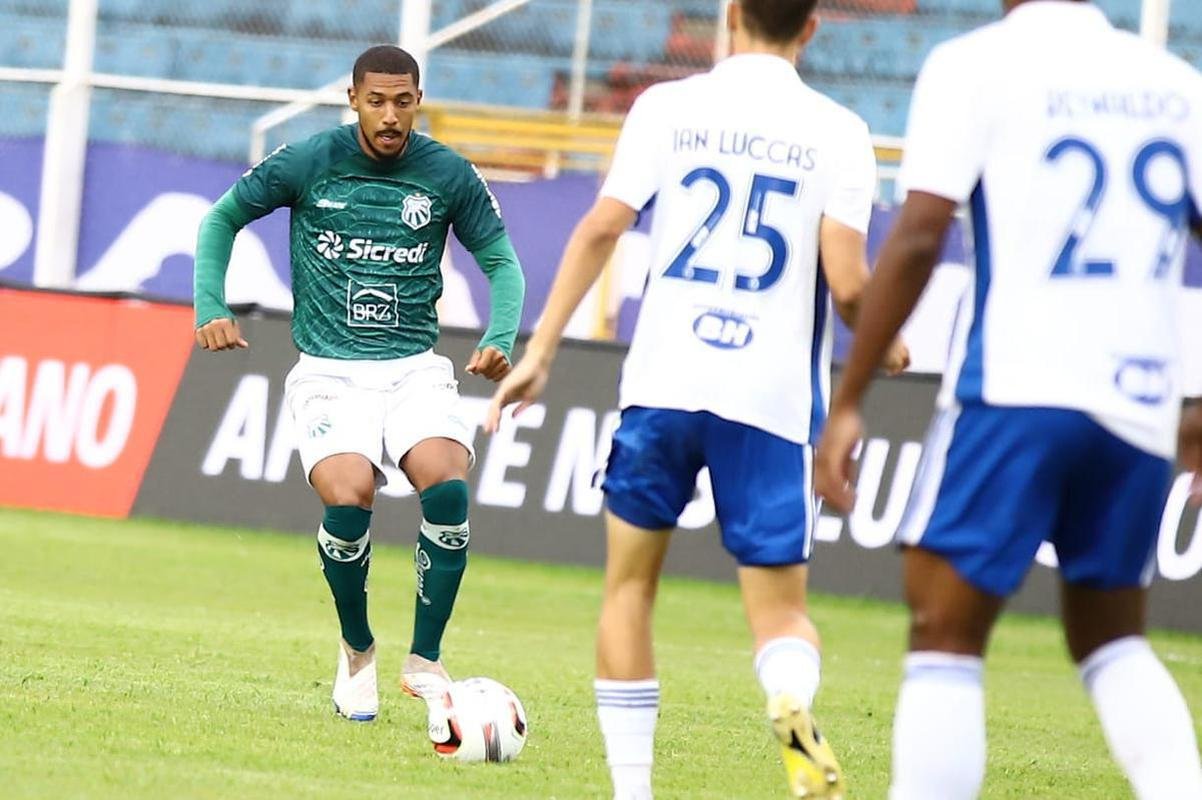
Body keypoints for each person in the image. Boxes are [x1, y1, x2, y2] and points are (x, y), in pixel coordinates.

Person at [486, 1, 908, 796]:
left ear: (732, 16)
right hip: (771, 399)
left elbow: (601, 230)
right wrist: (884, 337)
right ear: (810, 27)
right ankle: (788, 699)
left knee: (629, 589)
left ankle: (633, 789)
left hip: (664, 384)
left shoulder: (666, 108)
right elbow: (850, 287)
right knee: (780, 616)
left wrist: (540, 351)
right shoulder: (840, 130)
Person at [812, 2, 1202, 798]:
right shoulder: (1176, 83)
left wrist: (849, 396)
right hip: (1136, 406)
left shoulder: (974, 63)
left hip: (1016, 387)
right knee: (1112, 637)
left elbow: (920, 234)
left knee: (944, 635)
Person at [192, 45, 525, 726]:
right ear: (352, 99)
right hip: (329, 370)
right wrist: (210, 306)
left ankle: (425, 663)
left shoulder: (447, 174)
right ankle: (357, 647)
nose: (391, 115)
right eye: (377, 100)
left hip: (413, 367)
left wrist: (500, 337)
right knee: (349, 494)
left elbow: (503, 264)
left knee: (449, 484)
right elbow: (220, 217)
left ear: (419, 101)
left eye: (404, 101)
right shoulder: (309, 161)